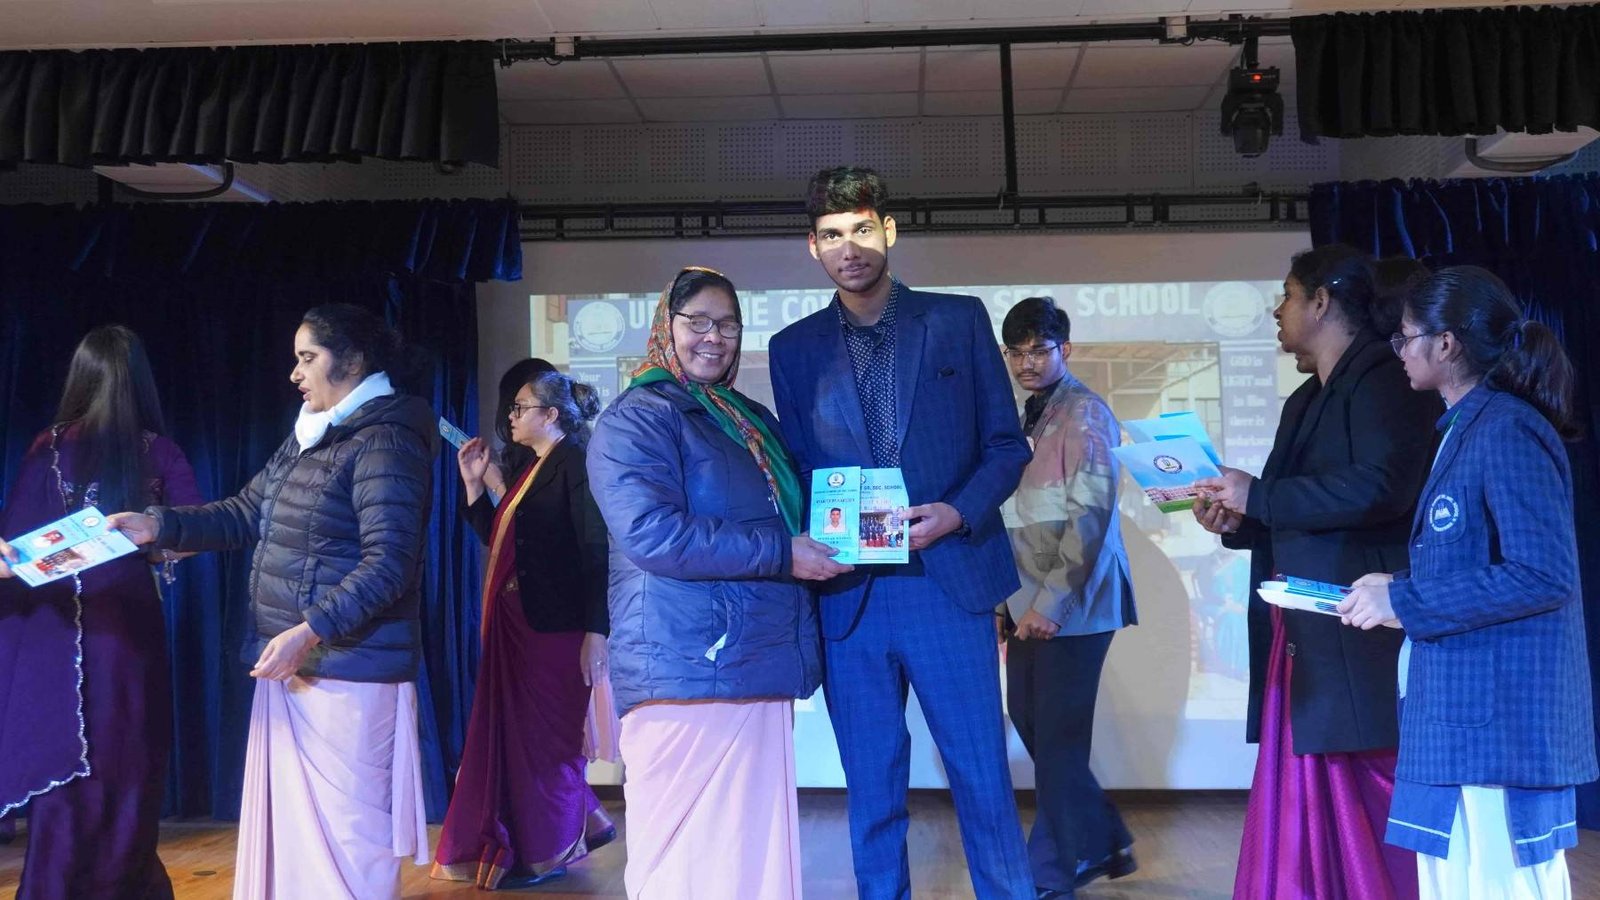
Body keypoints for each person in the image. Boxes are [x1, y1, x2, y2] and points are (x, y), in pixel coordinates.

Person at [107, 304, 435, 900]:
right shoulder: (313, 434)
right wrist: (158, 526)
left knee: (348, 842)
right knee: (301, 846)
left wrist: (308, 631)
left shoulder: (385, 440)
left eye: (308, 358)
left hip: (350, 669)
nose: (295, 374)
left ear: (352, 361)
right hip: (300, 662)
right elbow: (245, 512)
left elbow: (390, 563)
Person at [768, 166, 1034, 900]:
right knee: (872, 789)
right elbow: (799, 469)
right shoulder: (793, 347)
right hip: (850, 595)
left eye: (861, 229)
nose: (848, 248)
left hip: (947, 581)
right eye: (831, 235)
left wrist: (957, 512)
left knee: (982, 778)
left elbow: (1006, 447)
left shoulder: (957, 320)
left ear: (888, 230)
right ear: (813, 246)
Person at [1338, 266, 1598, 898]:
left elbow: (1543, 574)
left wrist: (1404, 599)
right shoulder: (1466, 426)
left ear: (1447, 343)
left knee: (1497, 885)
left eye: (1406, 337)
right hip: (1460, 719)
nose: (1399, 351)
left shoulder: (1507, 428)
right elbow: (1476, 561)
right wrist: (1396, 585)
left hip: (1499, 727)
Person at [1191, 246, 1439, 900]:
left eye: (1287, 296)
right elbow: (1289, 506)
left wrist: (1259, 497)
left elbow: (1383, 487)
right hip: (1304, 627)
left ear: (1322, 301)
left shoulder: (1384, 375)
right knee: (1306, 795)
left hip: (1356, 624)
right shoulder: (1307, 396)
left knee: (1368, 786)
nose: (1277, 311)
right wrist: (1238, 519)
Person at [587, 266, 836, 900]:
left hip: (754, 660)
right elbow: (653, 534)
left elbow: (792, 512)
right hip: (686, 667)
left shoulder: (746, 417)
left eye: (727, 324)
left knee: (749, 853)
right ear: (664, 326)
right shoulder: (637, 417)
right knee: (686, 859)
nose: (713, 337)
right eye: (696, 321)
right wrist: (783, 554)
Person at [0, 325, 202, 900]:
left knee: (65, 768)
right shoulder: (157, 450)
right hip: (124, 630)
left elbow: (14, 546)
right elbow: (193, 532)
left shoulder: (48, 446)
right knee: (127, 762)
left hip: (54, 630)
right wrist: (155, 544)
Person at [433, 370, 616, 889]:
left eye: (521, 407)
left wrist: (596, 631)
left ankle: (546, 850)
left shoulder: (575, 463)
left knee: (548, 745)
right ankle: (528, 843)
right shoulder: (533, 470)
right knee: (518, 742)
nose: (511, 417)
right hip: (519, 628)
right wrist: (474, 485)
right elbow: (503, 543)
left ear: (551, 415)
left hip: (556, 629)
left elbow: (595, 550)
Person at [999, 297, 1137, 899]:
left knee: (1057, 743)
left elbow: (1091, 516)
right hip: (1028, 602)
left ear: (1066, 350)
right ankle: (1104, 837)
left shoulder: (1084, 412)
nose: (1028, 363)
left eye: (1040, 350)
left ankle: (1053, 869)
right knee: (1034, 724)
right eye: (1017, 352)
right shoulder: (1031, 414)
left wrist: (1050, 604)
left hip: (1073, 606)